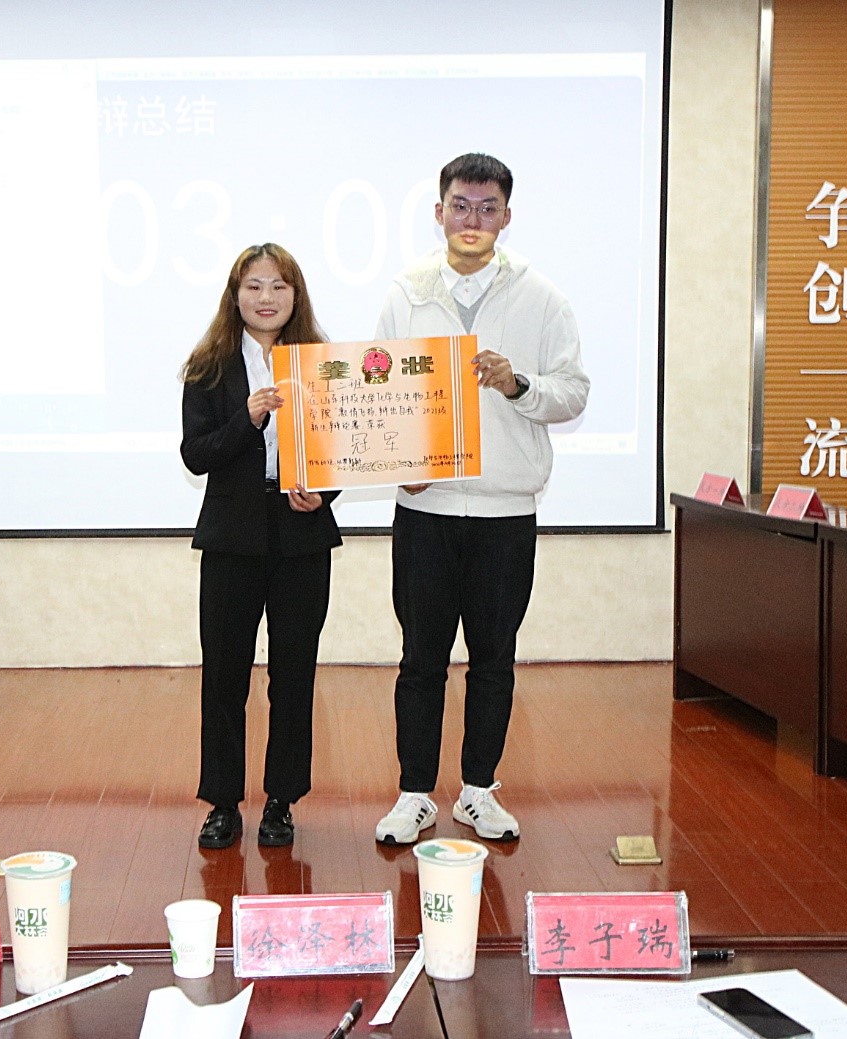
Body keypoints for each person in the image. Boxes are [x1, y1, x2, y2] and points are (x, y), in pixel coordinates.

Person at [374, 154, 589, 845]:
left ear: (507, 216)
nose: (473, 219)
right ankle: (414, 794)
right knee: (420, 658)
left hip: (505, 514)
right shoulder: (406, 293)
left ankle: (477, 791)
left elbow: (573, 392)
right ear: (439, 212)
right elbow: (379, 394)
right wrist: (399, 463)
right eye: (461, 206)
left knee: (494, 658)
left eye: (487, 207)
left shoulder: (542, 297)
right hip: (426, 511)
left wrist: (518, 384)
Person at [181, 243, 341, 849]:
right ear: (235, 295)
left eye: (278, 286)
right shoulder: (209, 366)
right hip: (232, 536)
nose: (266, 298)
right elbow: (196, 455)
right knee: (224, 675)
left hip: (302, 537)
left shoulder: (324, 364)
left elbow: (345, 447)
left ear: (296, 295)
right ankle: (223, 802)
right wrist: (246, 420)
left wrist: (323, 494)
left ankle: (282, 800)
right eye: (253, 286)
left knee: (293, 675)